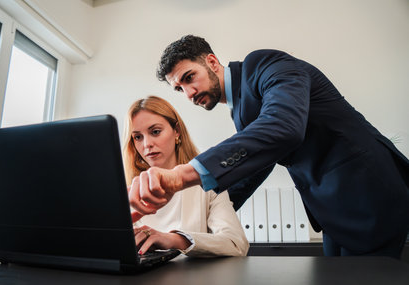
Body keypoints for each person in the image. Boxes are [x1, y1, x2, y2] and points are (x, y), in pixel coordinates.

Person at [128, 35, 409, 259]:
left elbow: (283, 128)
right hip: (334, 208)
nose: (188, 94)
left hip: (368, 192)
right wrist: (206, 212)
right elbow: (256, 166)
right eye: (179, 88)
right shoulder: (241, 109)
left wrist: (180, 176)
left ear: (212, 62)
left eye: (189, 78)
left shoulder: (265, 65)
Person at [123, 95, 249, 257]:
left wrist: (177, 239)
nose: (147, 144)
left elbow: (236, 244)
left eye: (155, 132)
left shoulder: (206, 182)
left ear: (177, 132)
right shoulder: (127, 191)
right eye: (138, 137)